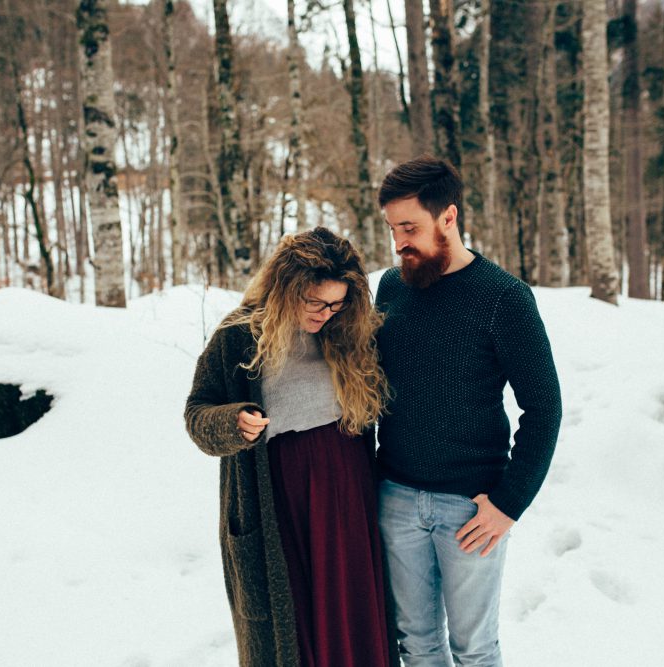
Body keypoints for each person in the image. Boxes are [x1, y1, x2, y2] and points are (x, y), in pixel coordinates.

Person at [374, 156, 563, 666]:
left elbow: (544, 408)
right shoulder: (391, 288)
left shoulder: (504, 297)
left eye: (410, 228)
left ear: (449, 217)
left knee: (474, 649)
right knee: (415, 643)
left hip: (471, 508)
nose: (399, 242)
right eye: (393, 229)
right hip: (395, 498)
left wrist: (508, 504)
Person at [184, 227, 397, 667]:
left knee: (352, 612)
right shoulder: (239, 336)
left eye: (337, 304)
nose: (325, 314)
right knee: (293, 629)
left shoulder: (349, 333)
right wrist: (232, 422)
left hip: (348, 490)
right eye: (315, 302)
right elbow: (196, 413)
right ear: (285, 288)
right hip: (277, 496)